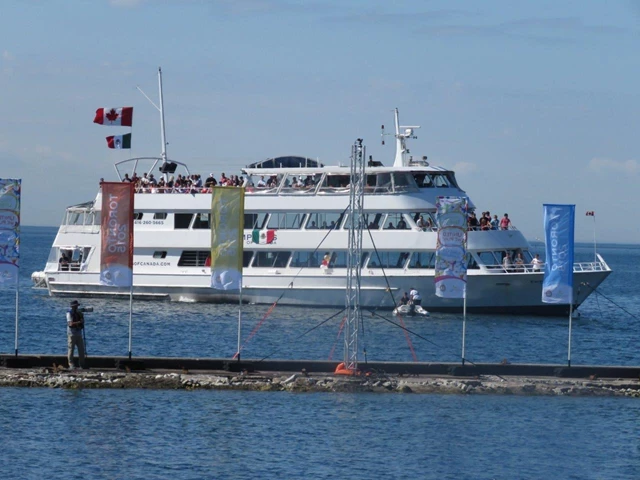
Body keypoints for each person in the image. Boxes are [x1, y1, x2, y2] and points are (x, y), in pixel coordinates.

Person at [66, 300, 86, 369]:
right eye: (75, 306)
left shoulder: (79, 313)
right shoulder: (69, 313)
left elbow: (82, 322)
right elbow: (70, 324)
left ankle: (82, 364)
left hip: (78, 333)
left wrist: (82, 322)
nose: (76, 307)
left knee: (81, 349)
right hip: (71, 333)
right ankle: (71, 364)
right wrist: (79, 322)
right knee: (71, 349)